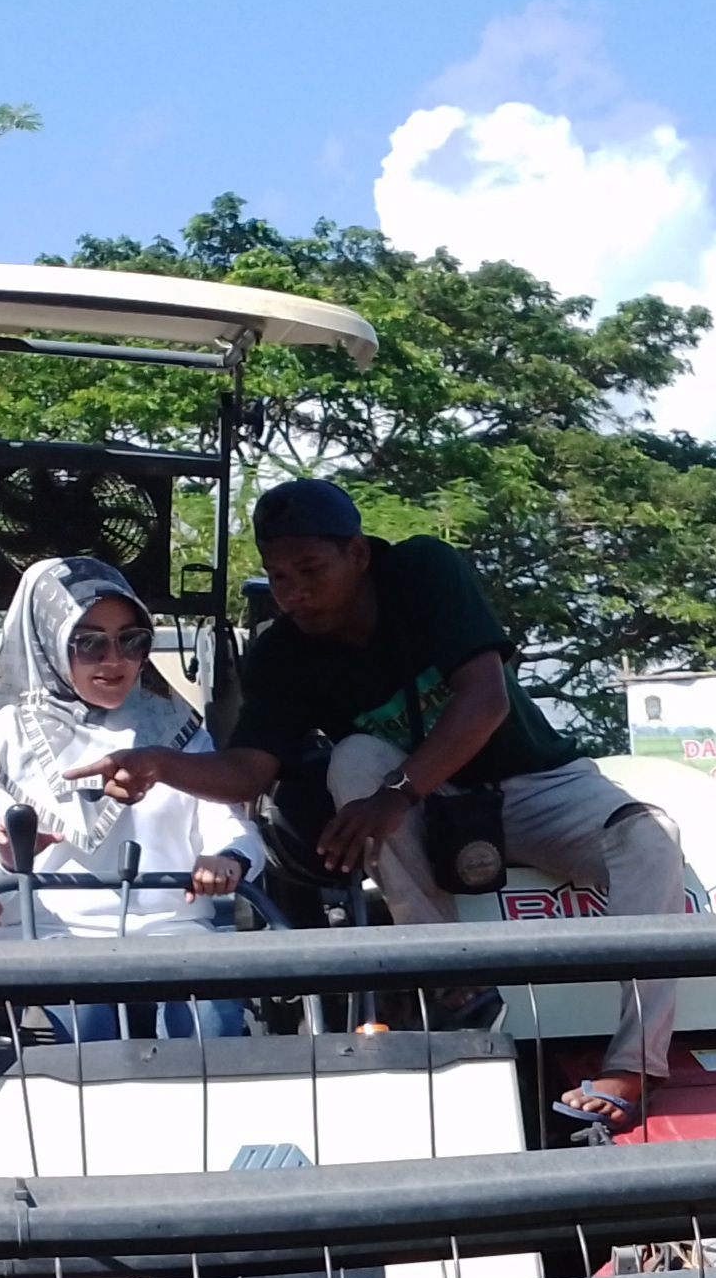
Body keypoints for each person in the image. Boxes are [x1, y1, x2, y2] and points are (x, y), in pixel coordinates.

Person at [74, 479, 683, 1138]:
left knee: (651, 834)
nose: (294, 592)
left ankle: (636, 1064)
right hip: (422, 803)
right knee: (354, 756)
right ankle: (453, 974)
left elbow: (485, 700)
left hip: (531, 782)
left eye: (311, 570)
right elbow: (251, 768)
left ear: (359, 554)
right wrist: (162, 764)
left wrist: (396, 796)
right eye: (279, 576)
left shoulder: (423, 569)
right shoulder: (281, 651)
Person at [0, 555, 260, 1041]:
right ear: (48, 642)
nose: (114, 660)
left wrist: (228, 858)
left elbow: (230, 824)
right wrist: (8, 858)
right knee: (85, 1026)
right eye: (89, 643)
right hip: (53, 940)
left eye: (131, 640)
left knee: (211, 1024)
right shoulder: (0, 742)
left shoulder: (175, 726)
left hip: (175, 935)